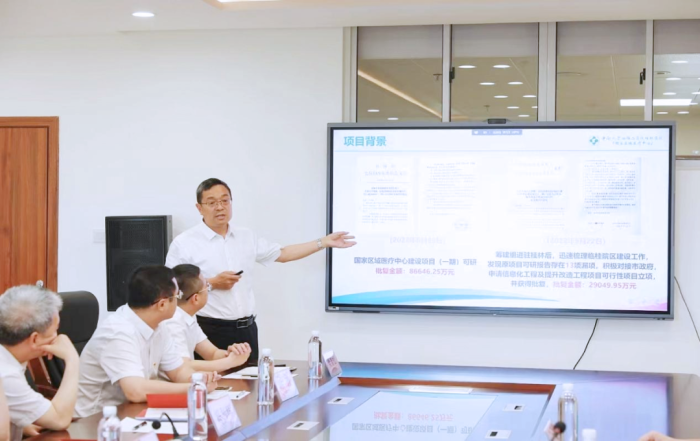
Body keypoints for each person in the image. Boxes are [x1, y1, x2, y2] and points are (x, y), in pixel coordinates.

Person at [165, 177, 356, 360]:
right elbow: (172, 289)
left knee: (251, 380)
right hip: (209, 329)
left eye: (225, 200)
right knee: (215, 380)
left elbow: (283, 254)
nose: (220, 207)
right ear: (199, 208)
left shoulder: (245, 236)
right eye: (212, 202)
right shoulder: (185, 243)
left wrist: (323, 242)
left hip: (247, 329)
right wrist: (212, 283)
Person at [75, 265, 217, 418]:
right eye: (177, 297)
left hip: (131, 413)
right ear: (162, 304)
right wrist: (194, 388)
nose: (179, 301)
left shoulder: (159, 326)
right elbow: (136, 391)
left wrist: (197, 379)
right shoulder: (118, 333)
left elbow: (178, 371)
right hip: (94, 421)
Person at [0, 286, 79, 441]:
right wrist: (72, 359)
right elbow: (60, 419)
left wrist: (21, 422)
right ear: (35, 339)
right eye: (55, 330)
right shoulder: (6, 373)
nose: (58, 337)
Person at [166, 264, 251, 371]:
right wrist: (230, 362)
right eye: (207, 287)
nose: (208, 290)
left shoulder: (189, 316)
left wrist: (232, 353)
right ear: (195, 298)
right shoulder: (173, 321)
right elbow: (183, 365)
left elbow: (212, 353)